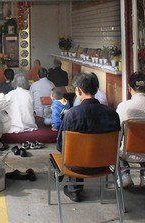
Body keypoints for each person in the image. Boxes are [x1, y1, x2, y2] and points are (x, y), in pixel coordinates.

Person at [58, 72, 120, 202]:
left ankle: (74, 190)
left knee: (72, 152)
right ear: (96, 89)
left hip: (77, 167)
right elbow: (117, 144)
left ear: (79, 91)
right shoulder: (112, 114)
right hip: (105, 164)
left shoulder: (72, 115)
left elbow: (60, 146)